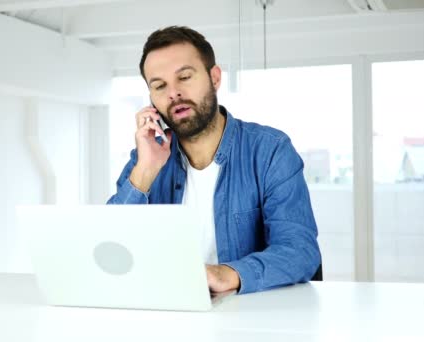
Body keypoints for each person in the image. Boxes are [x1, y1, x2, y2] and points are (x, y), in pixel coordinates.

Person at [107, 26, 321, 295]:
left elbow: (300, 251)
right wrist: (146, 170)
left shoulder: (270, 150)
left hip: (248, 317)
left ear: (215, 78)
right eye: (159, 86)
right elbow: (110, 247)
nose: (173, 93)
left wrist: (227, 274)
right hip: (166, 310)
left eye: (184, 77)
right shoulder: (146, 156)